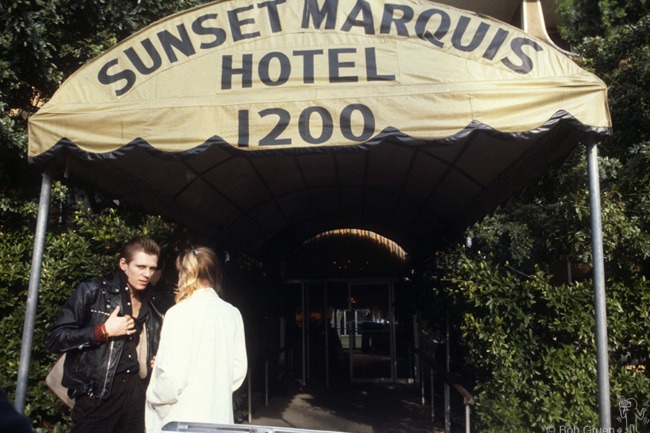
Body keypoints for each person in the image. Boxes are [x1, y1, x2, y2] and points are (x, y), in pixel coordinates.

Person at [45, 236, 164, 433]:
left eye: (152, 268)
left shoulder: (150, 305)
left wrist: (154, 359)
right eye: (141, 267)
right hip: (98, 393)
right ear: (123, 264)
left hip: (135, 392)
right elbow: (56, 338)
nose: (147, 274)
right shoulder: (93, 291)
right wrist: (102, 331)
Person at [145, 247, 247, 432]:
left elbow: (172, 378)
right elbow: (238, 370)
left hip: (183, 420)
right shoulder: (232, 313)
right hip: (220, 418)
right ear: (215, 274)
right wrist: (213, 386)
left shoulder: (178, 313)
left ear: (185, 274)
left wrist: (154, 396)